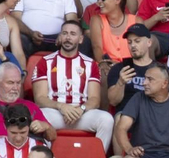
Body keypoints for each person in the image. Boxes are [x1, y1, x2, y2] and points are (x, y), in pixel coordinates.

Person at [30, 19, 113, 149]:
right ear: (60, 37)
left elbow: (95, 99)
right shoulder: (45, 62)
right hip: (56, 112)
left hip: (81, 114)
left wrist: (81, 109)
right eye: (65, 33)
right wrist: (62, 106)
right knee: (39, 118)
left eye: (73, 34)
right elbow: (39, 99)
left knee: (106, 119)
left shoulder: (90, 64)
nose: (68, 37)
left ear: (80, 39)